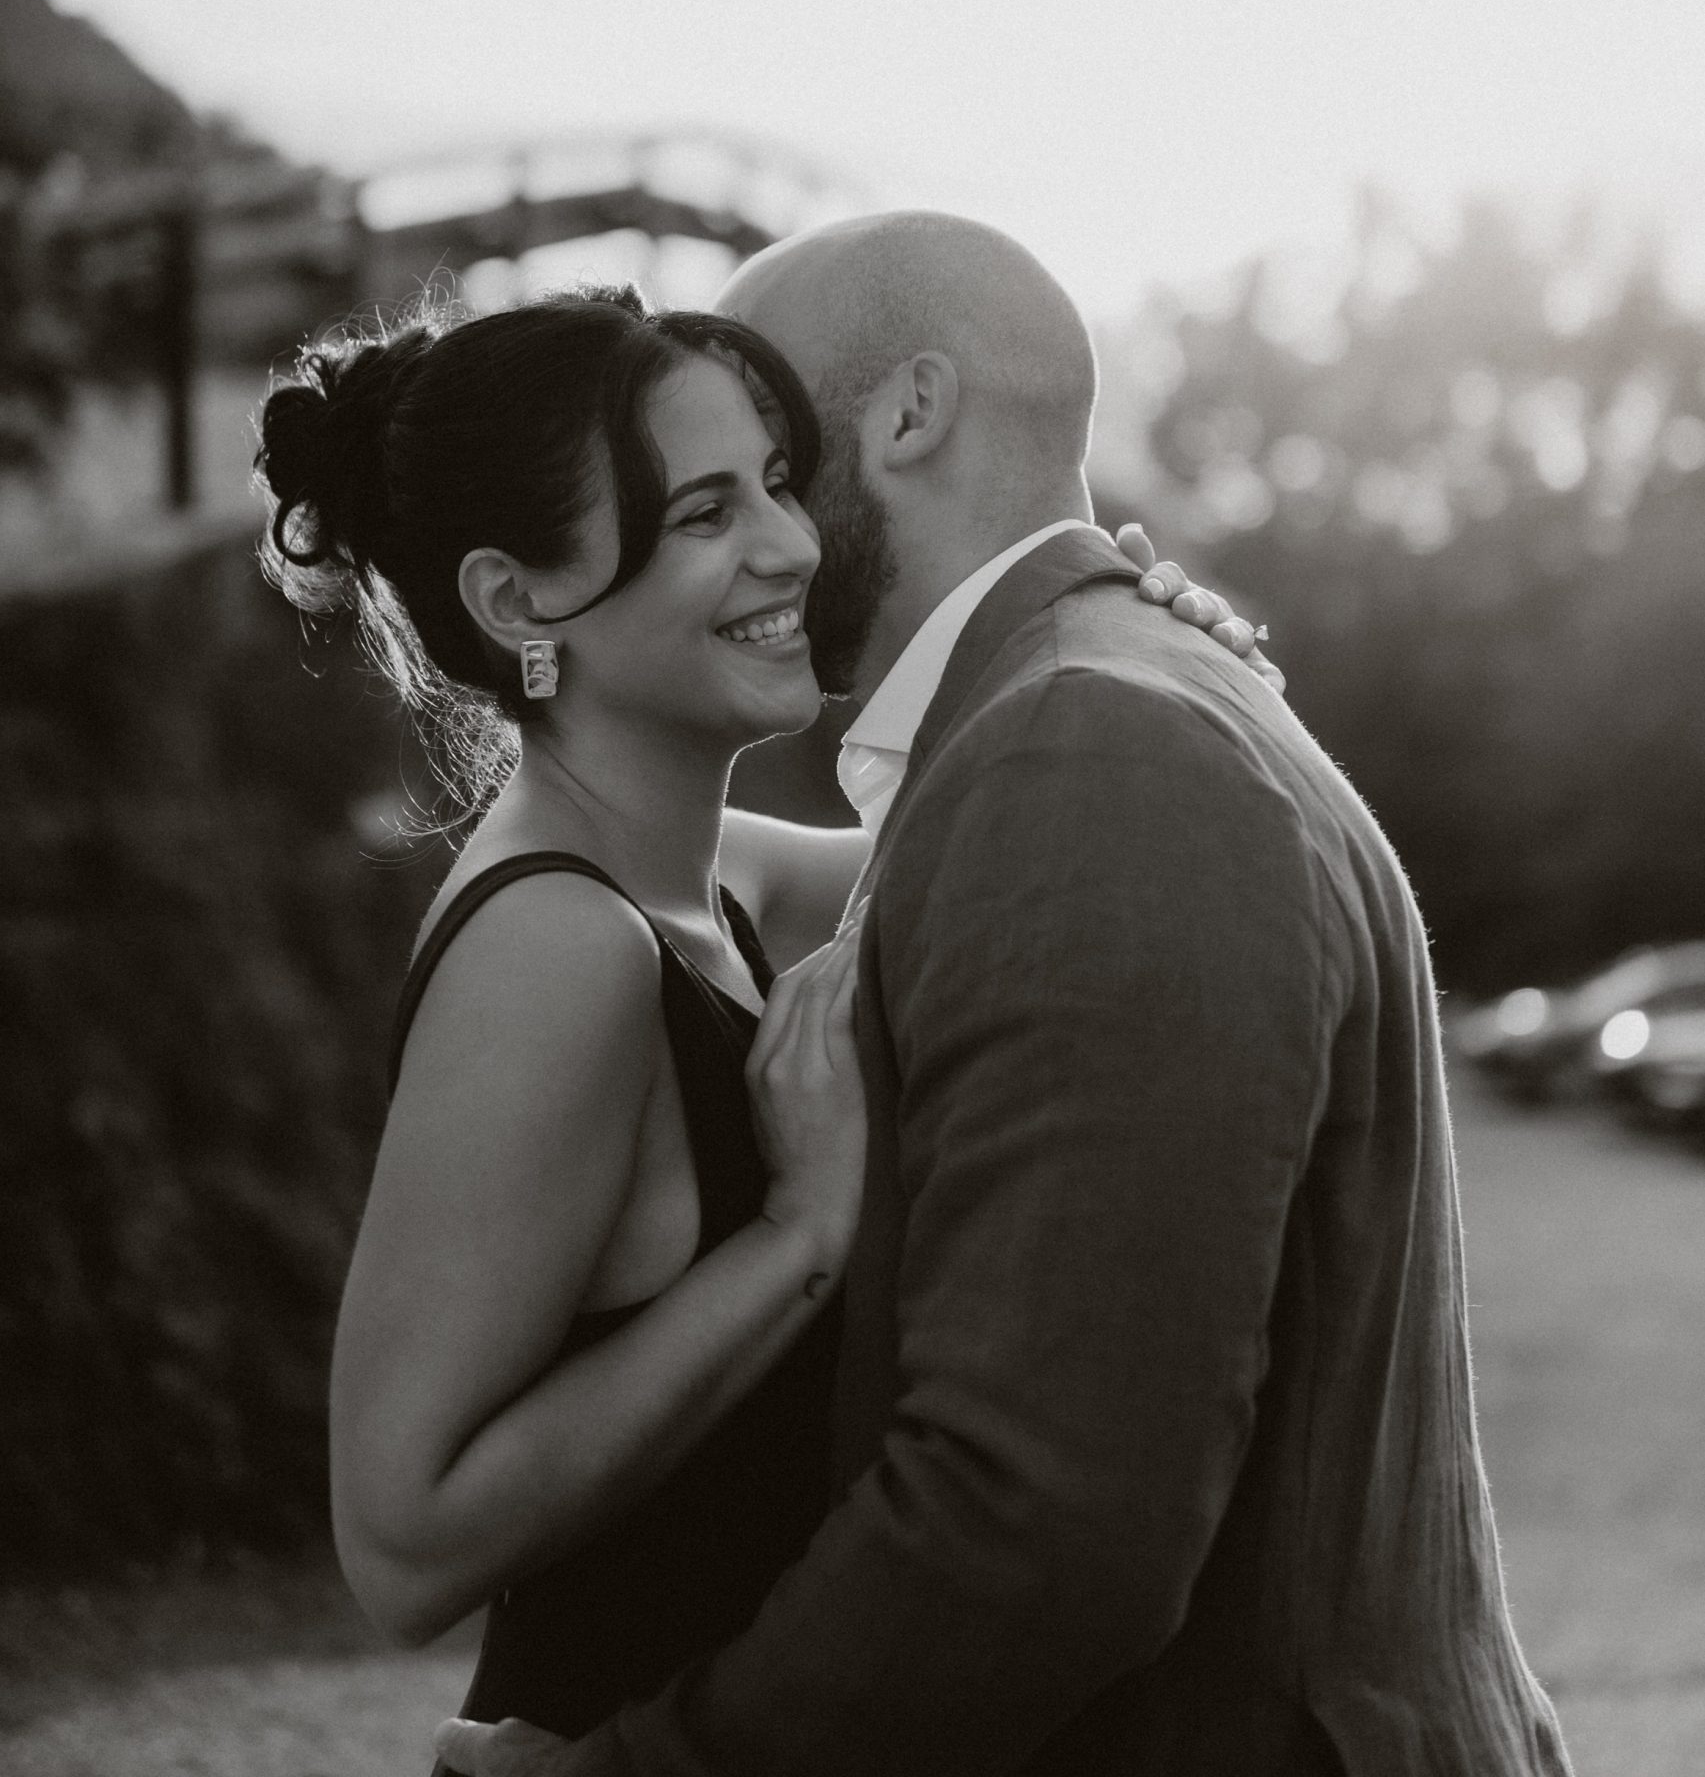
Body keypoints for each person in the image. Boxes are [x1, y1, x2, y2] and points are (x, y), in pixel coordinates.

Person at [437, 213, 1572, 1777]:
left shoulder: (1089, 750)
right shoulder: (1079, 717)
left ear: (907, 413)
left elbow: (1038, 1526)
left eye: (768, 454)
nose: (760, 533)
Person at [256, 281, 1246, 1752]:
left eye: (777, 483)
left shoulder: (710, 878)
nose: (792, 546)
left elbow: (1007, 834)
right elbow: (401, 1545)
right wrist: (796, 1240)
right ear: (519, 603)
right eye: (705, 514)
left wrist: (1125, 646)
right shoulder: (555, 946)